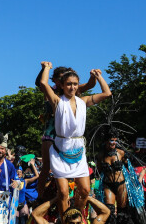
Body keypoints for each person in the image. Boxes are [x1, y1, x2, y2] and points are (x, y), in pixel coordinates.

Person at [38, 62, 112, 214]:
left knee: (85, 190)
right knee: (64, 192)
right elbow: (43, 83)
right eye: (69, 84)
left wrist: (98, 77)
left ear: (78, 86)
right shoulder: (57, 102)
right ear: (62, 86)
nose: (72, 87)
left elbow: (107, 93)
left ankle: (75, 217)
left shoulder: (83, 101)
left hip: (78, 149)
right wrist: (46, 68)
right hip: (60, 149)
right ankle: (65, 223)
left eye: (75, 84)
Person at [35, 66, 96, 200]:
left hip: (70, 137)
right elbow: (40, 83)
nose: (68, 84)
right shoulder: (51, 92)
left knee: (72, 166)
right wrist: (45, 68)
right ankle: (39, 196)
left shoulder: (74, 89)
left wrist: (93, 75)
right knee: (46, 166)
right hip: (51, 132)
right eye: (61, 78)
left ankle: (68, 195)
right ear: (56, 80)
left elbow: (91, 84)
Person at [95, 128, 146, 224]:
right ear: (106, 141)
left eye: (115, 140)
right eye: (110, 140)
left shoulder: (121, 153)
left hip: (121, 184)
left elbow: (129, 168)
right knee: (110, 211)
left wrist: (135, 184)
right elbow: (99, 171)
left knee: (123, 214)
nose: (113, 143)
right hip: (107, 184)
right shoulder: (100, 155)